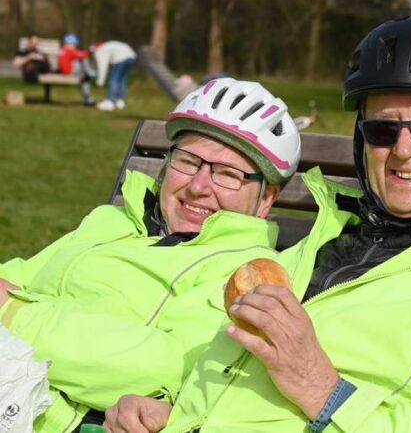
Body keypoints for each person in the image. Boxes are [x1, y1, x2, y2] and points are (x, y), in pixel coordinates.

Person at [104, 15, 411, 433]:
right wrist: (170, 411)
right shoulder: (317, 245)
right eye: (382, 129)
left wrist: (326, 391)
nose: (403, 149)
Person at [0, 78, 301, 433]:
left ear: (266, 198)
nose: (198, 186)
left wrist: (14, 314)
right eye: (188, 161)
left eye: (227, 174)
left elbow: (168, 366)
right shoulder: (112, 220)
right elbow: (20, 276)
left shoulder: (245, 273)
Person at [90, 40, 137, 111]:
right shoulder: (108, 45)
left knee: (113, 79)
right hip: (131, 56)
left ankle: (110, 102)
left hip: (120, 59)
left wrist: (100, 81)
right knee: (122, 79)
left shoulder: (100, 51)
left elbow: (102, 66)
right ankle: (120, 102)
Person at [57, 33, 96, 106]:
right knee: (83, 62)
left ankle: (88, 99)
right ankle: (88, 71)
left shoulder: (63, 50)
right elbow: (83, 55)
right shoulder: (68, 50)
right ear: (68, 44)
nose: (75, 46)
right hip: (69, 72)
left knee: (85, 77)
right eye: (74, 44)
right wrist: (89, 50)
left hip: (66, 71)